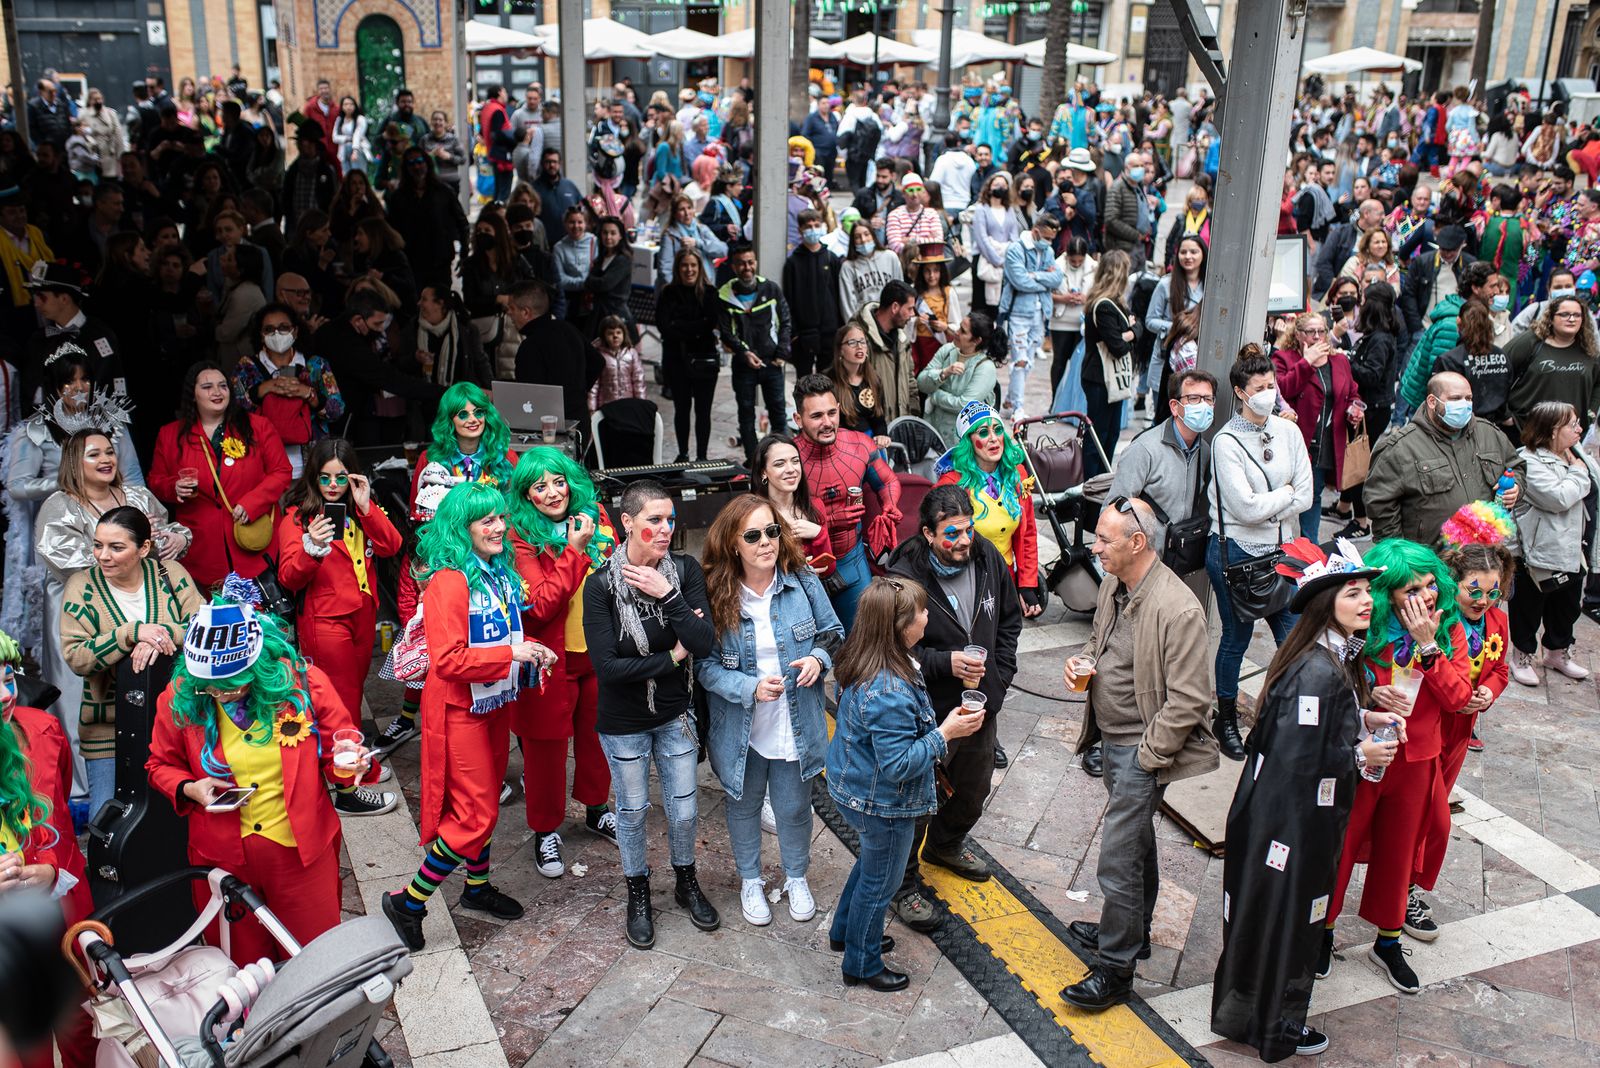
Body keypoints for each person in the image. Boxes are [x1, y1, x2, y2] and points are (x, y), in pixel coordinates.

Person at [1210, 538, 1395, 1060]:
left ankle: (1261, 1018)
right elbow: (1298, 758)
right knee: (1285, 923)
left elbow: (1313, 733)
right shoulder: (1317, 669)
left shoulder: (1326, 659)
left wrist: (1362, 720)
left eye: (1366, 593)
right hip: (1289, 825)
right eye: (1352, 593)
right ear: (1324, 603)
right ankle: (1277, 1028)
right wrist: (1361, 756)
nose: (1365, 602)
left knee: (1271, 919)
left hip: (1284, 821)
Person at [148, 593, 374, 965]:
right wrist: (189, 787)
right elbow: (159, 764)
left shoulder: (303, 686)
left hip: (300, 857)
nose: (219, 694)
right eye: (209, 686)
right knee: (242, 969)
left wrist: (353, 764)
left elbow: (340, 749)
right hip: (223, 861)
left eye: (231, 684)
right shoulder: (182, 696)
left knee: (313, 961)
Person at [380, 482, 554, 950]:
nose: (499, 527)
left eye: (500, 517)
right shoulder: (449, 581)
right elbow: (449, 660)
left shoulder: (494, 572)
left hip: (490, 701)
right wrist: (512, 653)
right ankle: (408, 902)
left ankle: (476, 889)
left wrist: (529, 652)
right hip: (461, 709)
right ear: (463, 528)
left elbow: (503, 633)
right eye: (486, 520)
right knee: (475, 814)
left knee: (483, 805)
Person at [1061, 497, 1217, 1011]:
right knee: (1136, 842)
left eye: (1105, 540)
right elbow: (1101, 644)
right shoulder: (1113, 583)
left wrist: (1149, 756)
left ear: (1137, 543)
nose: (1094, 548)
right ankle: (1135, 931)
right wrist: (1082, 662)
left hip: (1141, 750)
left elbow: (1192, 699)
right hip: (1114, 738)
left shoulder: (1178, 608)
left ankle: (1116, 967)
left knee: (1118, 857)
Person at [1325, 539, 1473, 993]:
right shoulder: (1363, 629)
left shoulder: (1449, 631)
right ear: (1387, 592)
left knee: (1400, 853)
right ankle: (1320, 931)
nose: (1426, 596)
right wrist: (1370, 693)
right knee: (1340, 847)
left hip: (1418, 759)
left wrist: (1430, 649)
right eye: (1411, 589)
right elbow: (1335, 683)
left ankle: (1388, 942)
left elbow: (1460, 700)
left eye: (1430, 584)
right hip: (1366, 755)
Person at [826, 576, 987, 990]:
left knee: (870, 867)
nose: (928, 616)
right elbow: (898, 765)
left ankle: (846, 932)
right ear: (900, 626)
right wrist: (945, 733)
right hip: (883, 803)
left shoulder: (866, 655)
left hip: (855, 788)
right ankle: (861, 963)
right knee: (881, 885)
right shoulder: (889, 689)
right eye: (921, 612)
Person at [583, 480, 718, 949]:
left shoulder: (682, 570)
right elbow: (609, 668)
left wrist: (669, 597)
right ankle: (637, 893)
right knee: (633, 811)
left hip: (676, 714)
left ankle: (686, 882)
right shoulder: (600, 586)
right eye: (653, 521)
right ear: (627, 523)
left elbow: (706, 643)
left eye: (670, 520)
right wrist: (673, 659)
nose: (665, 530)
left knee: (683, 809)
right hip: (623, 725)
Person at [699, 495, 843, 927]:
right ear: (733, 544)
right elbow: (703, 667)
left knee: (795, 808)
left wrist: (818, 659)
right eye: (754, 535)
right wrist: (748, 687)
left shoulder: (801, 579)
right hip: (740, 724)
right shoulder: (715, 592)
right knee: (742, 806)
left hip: (794, 720)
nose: (766, 542)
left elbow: (832, 632)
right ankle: (750, 880)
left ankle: (796, 877)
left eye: (773, 531)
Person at [885, 484, 1021, 906]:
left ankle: (945, 847)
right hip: (927, 713)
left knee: (972, 790)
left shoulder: (986, 556)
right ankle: (903, 886)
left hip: (979, 706)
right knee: (917, 803)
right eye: (952, 533)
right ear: (928, 534)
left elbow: (1010, 620)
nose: (964, 540)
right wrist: (946, 663)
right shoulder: (903, 579)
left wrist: (1000, 676)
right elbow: (891, 649)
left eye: (968, 529)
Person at [38, 425, 188, 800]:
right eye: (94, 454)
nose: (106, 459)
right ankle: (84, 787)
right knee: (83, 695)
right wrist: (128, 550)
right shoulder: (61, 505)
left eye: (109, 451)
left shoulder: (135, 493)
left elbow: (168, 530)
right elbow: (69, 561)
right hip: (88, 604)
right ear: (75, 461)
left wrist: (174, 538)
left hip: (146, 593)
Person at [505, 448, 618, 878]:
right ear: (527, 495)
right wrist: (574, 550)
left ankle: (596, 807)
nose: (553, 493)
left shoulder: (595, 516)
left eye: (558, 481)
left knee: (598, 738)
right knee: (546, 750)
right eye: (539, 486)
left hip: (599, 655)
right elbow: (540, 606)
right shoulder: (519, 537)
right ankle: (546, 829)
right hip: (550, 662)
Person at [274, 441, 402, 818]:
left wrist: (366, 506)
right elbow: (288, 577)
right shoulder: (297, 519)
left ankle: (352, 767)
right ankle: (346, 787)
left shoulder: (358, 510)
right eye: (325, 477)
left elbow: (392, 545)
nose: (333, 485)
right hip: (324, 620)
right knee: (340, 705)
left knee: (351, 696)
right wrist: (312, 545)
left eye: (340, 477)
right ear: (313, 477)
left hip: (362, 615)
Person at [1408, 506, 1514, 931]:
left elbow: (1500, 668)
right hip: (1428, 725)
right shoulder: (1438, 622)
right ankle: (1404, 888)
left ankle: (1407, 887)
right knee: (1433, 815)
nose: (1483, 601)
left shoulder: (1497, 622)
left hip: (1459, 733)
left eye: (1492, 592)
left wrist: (1488, 692)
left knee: (1430, 810)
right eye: (1475, 590)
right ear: (1454, 581)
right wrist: (1458, 693)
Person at [1207, 347, 1314, 760]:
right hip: (1239, 553)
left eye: (1272, 386)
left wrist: (1278, 498)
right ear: (1240, 392)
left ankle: (1279, 716)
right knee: (1236, 638)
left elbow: (1305, 495)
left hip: (1285, 553)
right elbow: (1244, 508)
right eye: (1260, 388)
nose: (1269, 393)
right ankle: (1226, 717)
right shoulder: (1226, 442)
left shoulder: (1288, 432)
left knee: (1294, 638)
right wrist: (1284, 495)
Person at [1, 625, 98, 1068]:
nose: (5, 695)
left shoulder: (44, 728)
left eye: (6, 677)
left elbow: (56, 815)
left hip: (64, 908)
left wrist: (51, 870)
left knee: (82, 1017)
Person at [148, 363, 292, 590]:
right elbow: (155, 480)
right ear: (193, 395)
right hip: (201, 544)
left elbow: (282, 471)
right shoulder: (170, 434)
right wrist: (172, 487)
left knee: (262, 614)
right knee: (211, 616)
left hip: (251, 536)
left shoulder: (257, 426)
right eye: (207, 387)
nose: (217, 392)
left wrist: (252, 502)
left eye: (223, 386)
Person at [793, 375, 903, 630]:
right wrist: (830, 521)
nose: (827, 422)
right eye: (817, 416)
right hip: (804, 565)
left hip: (851, 559)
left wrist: (889, 504)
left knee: (866, 638)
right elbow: (772, 516)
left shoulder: (859, 445)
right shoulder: (787, 458)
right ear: (798, 419)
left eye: (832, 413)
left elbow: (887, 481)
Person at [1364, 372, 1522, 546]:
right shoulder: (1400, 448)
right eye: (1456, 399)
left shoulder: (1490, 434)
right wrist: (1405, 560)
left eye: (1468, 398)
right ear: (1432, 402)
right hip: (1433, 562)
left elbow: (1516, 466)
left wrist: (1516, 487)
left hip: (1484, 557)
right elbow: (1381, 509)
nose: (1465, 405)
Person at [1508, 401, 1600, 685]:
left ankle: (1558, 652)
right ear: (1550, 431)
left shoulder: (1577, 452)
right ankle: (1521, 656)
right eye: (1572, 425)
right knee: (1529, 607)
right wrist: (1579, 475)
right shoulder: (1528, 461)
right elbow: (1557, 498)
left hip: (1575, 548)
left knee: (1568, 606)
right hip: (1538, 553)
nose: (1580, 429)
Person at [1272, 311, 1363, 539]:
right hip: (1296, 439)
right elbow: (1281, 390)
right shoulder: (1283, 358)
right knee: (1283, 495)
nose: (1316, 336)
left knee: (1314, 494)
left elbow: (1352, 392)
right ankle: (1278, 543)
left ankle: (1309, 546)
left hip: (1326, 440)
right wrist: (1307, 362)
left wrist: (1354, 409)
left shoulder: (1339, 360)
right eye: (1310, 332)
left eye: (1321, 331)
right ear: (1298, 334)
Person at [231, 304, 344, 476]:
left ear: (296, 331)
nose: (277, 333)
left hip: (313, 464)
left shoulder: (315, 365)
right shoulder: (246, 367)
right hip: (263, 466)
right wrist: (262, 390)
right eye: (269, 329)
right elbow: (233, 409)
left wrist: (308, 394)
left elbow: (337, 410)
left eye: (284, 327)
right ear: (261, 335)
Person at [717, 243, 792, 460]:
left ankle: (780, 458)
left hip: (771, 363)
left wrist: (781, 353)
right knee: (746, 414)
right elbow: (726, 332)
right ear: (733, 266)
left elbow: (785, 321)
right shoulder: (724, 295)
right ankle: (753, 462)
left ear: (755, 263)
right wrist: (744, 353)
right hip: (743, 365)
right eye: (741, 263)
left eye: (750, 262)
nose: (746, 267)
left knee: (778, 412)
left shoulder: (770, 289)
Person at [505, 281, 600, 428]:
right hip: (580, 419)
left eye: (511, 308)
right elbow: (598, 362)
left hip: (550, 426)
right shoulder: (567, 328)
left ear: (525, 312)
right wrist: (577, 393)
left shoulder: (530, 346)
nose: (508, 313)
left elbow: (528, 393)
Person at [656, 250, 720, 462]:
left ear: (700, 267)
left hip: (704, 361)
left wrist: (680, 325)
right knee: (681, 410)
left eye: (693, 265)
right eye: (685, 265)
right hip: (677, 361)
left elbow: (710, 322)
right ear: (678, 268)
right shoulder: (668, 293)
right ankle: (683, 453)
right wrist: (696, 327)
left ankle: (702, 456)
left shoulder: (710, 293)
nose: (689, 270)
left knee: (703, 411)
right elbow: (664, 326)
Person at [1503, 296, 1600, 434]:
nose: (1571, 319)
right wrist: (1505, 414)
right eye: (1564, 314)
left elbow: (1598, 383)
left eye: (1577, 315)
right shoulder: (1530, 342)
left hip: (1570, 436)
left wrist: (1591, 413)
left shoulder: (1589, 349)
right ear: (1551, 317)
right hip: (1526, 432)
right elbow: (1498, 371)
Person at [1079, 250, 1136, 478]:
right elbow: (1118, 346)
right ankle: (1091, 485)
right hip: (1099, 377)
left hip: (1111, 377)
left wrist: (1128, 332)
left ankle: (1102, 481)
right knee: (1098, 436)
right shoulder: (1103, 306)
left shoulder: (1115, 303)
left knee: (1111, 434)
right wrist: (1132, 331)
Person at [386, 146, 468, 291]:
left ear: (427, 163)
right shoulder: (398, 198)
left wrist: (464, 254)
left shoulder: (444, 191)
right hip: (412, 263)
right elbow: (391, 231)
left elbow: (462, 223)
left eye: (419, 161)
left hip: (440, 261)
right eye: (411, 163)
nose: (417, 167)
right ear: (406, 168)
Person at [917, 313, 1003, 449]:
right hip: (932, 434)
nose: (956, 332)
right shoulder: (947, 350)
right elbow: (921, 383)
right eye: (959, 328)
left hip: (962, 443)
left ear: (976, 341)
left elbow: (965, 405)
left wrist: (935, 397)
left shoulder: (985, 368)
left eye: (963, 331)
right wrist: (943, 373)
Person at [752, 433, 834, 567]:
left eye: (795, 461)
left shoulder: (815, 505)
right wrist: (800, 571)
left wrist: (819, 534)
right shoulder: (755, 514)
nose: (791, 469)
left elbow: (829, 569)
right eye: (780, 464)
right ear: (763, 472)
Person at [1145, 235, 1207, 407]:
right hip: (1167, 357)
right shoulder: (1165, 284)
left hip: (1196, 360)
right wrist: (1178, 327)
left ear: (1203, 254)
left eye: (1194, 252)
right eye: (1183, 252)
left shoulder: (1211, 285)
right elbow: (1150, 320)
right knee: (1163, 414)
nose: (1188, 256)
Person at [782, 209, 844, 379]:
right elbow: (789, 299)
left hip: (830, 332)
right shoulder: (793, 262)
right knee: (804, 381)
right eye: (808, 226)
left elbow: (839, 295)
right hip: (803, 334)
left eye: (816, 225)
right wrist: (793, 333)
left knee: (829, 379)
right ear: (800, 230)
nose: (813, 229)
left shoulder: (831, 259)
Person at [847, 280, 919, 423]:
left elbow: (910, 382)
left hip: (900, 430)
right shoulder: (858, 338)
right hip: (873, 434)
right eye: (909, 309)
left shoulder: (902, 340)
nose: (912, 315)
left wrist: (912, 419)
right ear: (895, 307)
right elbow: (850, 387)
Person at [970, 172, 1019, 321]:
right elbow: (981, 237)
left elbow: (1014, 235)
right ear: (989, 188)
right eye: (997, 184)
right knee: (982, 303)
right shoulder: (981, 209)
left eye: (1004, 185)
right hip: (985, 260)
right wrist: (996, 260)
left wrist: (1008, 256)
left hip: (1005, 259)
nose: (1000, 188)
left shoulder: (1009, 210)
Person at [653, 193, 726, 289]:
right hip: (681, 291)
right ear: (675, 214)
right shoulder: (670, 235)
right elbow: (665, 269)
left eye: (689, 208)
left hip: (705, 286)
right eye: (682, 209)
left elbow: (723, 250)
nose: (687, 213)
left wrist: (698, 243)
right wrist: (678, 291)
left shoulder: (701, 229)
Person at [588, 314, 646, 410]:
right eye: (610, 333)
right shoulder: (599, 356)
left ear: (624, 334)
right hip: (606, 406)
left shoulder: (631, 354)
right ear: (603, 336)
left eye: (618, 332)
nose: (615, 336)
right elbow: (594, 384)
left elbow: (638, 380)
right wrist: (591, 407)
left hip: (628, 404)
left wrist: (642, 404)